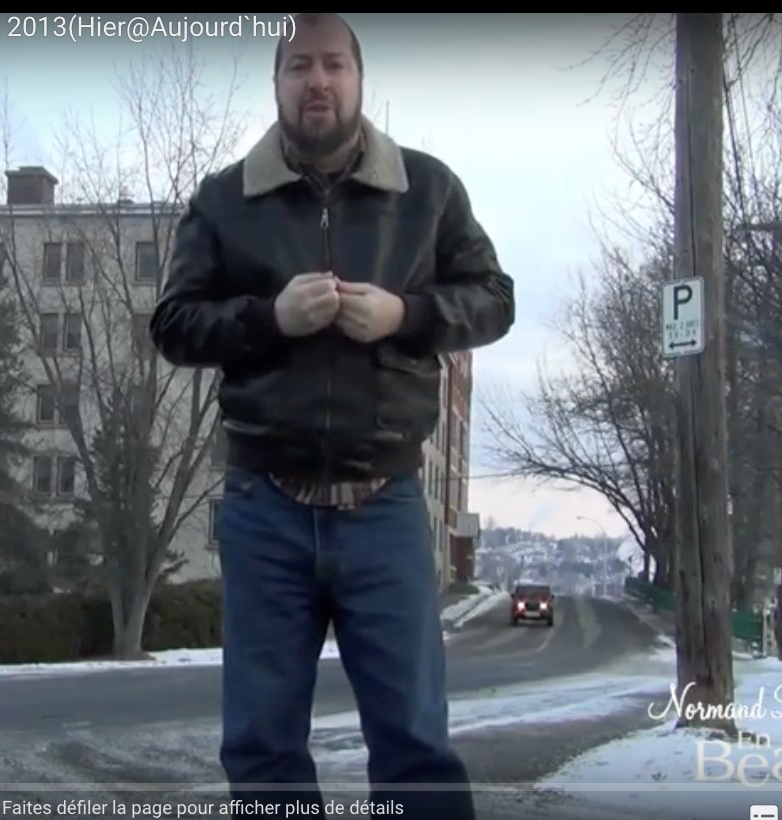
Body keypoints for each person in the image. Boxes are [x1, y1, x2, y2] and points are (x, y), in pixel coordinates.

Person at [148, 12, 515, 819]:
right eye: (300, 66)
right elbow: (173, 325)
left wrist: (406, 315)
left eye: (334, 65)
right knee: (262, 747)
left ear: (358, 78)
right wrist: (266, 318)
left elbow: (494, 302)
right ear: (277, 83)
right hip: (263, 505)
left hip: (383, 501)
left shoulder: (428, 191)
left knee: (415, 744)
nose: (318, 81)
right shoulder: (222, 201)